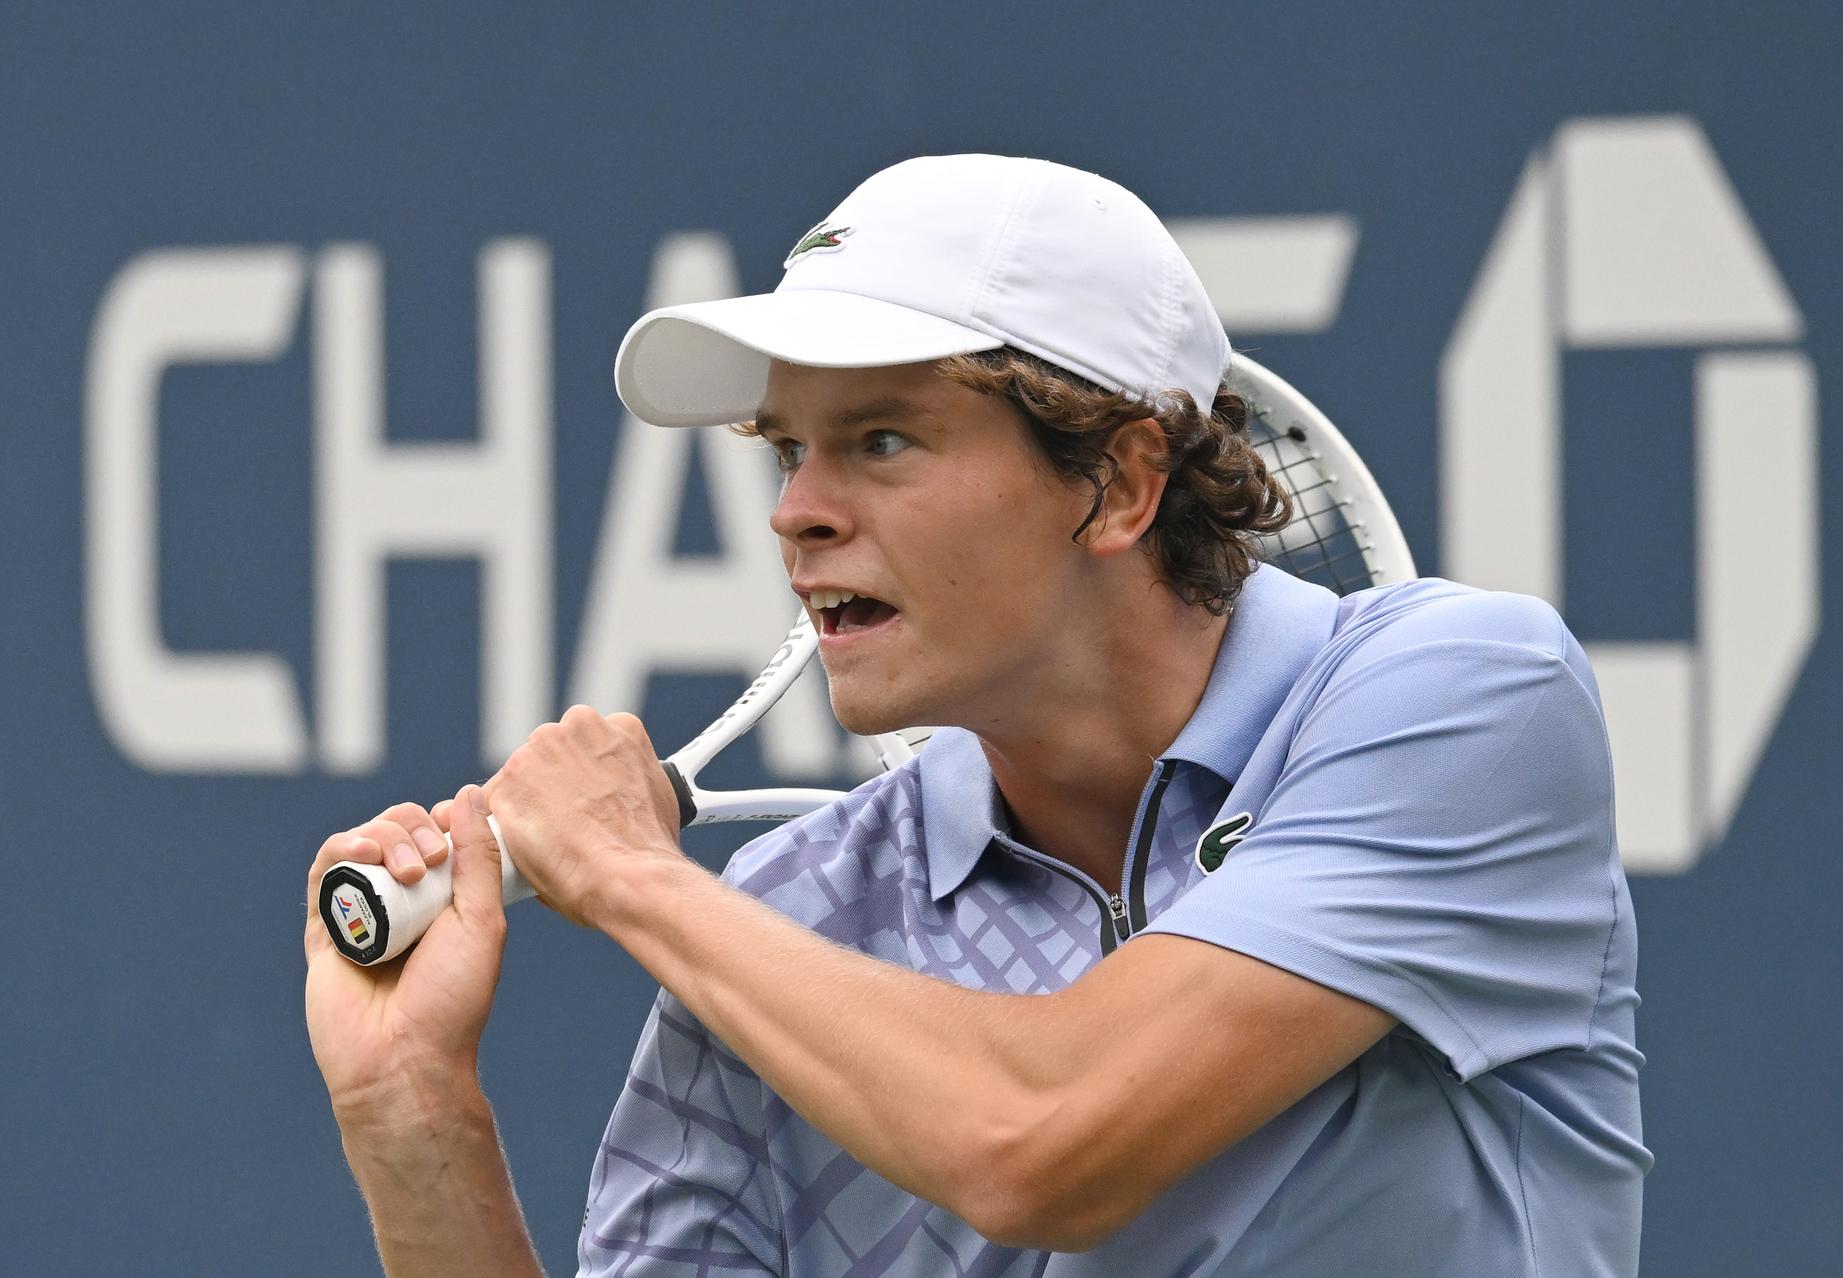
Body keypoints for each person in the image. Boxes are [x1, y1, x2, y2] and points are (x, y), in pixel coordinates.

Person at [305, 154, 1649, 1277]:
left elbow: (1043, 1134)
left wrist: (632, 877)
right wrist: (410, 1106)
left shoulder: (1467, 701)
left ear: (1120, 484)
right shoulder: (786, 926)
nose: (794, 510)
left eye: (882, 439)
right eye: (787, 447)